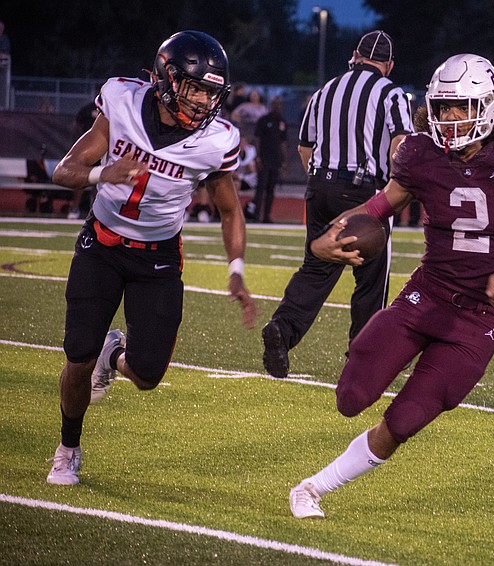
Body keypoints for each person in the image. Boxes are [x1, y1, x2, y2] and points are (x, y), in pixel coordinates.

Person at [287, 53, 494, 520]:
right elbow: (378, 207)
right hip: (426, 295)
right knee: (351, 397)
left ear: (491, 106)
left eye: (463, 107)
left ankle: (313, 487)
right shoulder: (419, 152)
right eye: (444, 106)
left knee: (407, 420)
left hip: (477, 319)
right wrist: (324, 242)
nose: (451, 118)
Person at [45, 30, 257, 486]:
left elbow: (229, 209)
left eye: (210, 91)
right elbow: (64, 170)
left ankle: (114, 354)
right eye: (194, 86)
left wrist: (236, 270)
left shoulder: (216, 139)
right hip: (101, 245)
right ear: (165, 77)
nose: (202, 100)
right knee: (77, 357)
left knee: (147, 375)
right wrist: (104, 172)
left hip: (158, 258)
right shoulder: (121, 101)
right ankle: (67, 449)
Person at [261, 30, 413, 378]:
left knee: (316, 267)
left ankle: (283, 329)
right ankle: (363, 358)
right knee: (372, 279)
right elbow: (400, 146)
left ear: (355, 55)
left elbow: (305, 148)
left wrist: (322, 183)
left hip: (320, 187)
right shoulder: (391, 93)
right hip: (365, 192)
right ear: (388, 65)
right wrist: (395, 191)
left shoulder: (324, 90)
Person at [246, 95, 286, 223]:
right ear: (271, 105)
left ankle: (266, 216)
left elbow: (283, 142)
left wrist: (283, 160)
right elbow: (257, 139)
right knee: (261, 188)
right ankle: (257, 215)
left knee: (271, 189)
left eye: (280, 105)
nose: (278, 107)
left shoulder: (282, 122)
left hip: (275, 160)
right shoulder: (263, 120)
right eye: (276, 105)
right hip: (264, 158)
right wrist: (257, 157)